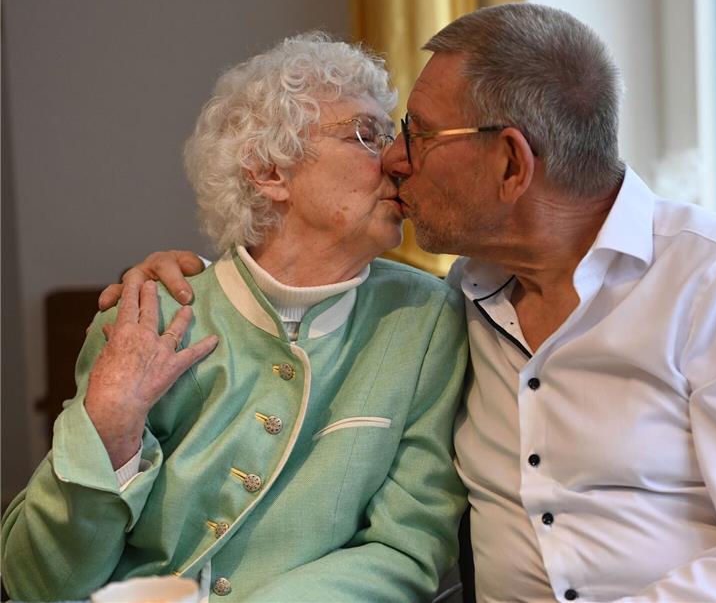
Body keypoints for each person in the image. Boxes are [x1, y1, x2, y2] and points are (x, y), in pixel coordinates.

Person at [96, 4, 716, 602]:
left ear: (510, 163)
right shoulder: (455, 303)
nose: (396, 160)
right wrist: (189, 272)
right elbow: (294, 284)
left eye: (418, 133)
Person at [1, 32, 468, 602]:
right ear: (269, 172)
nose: (399, 162)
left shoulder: (426, 319)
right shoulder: (150, 315)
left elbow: (405, 549)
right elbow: (38, 586)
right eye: (367, 135)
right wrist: (108, 431)